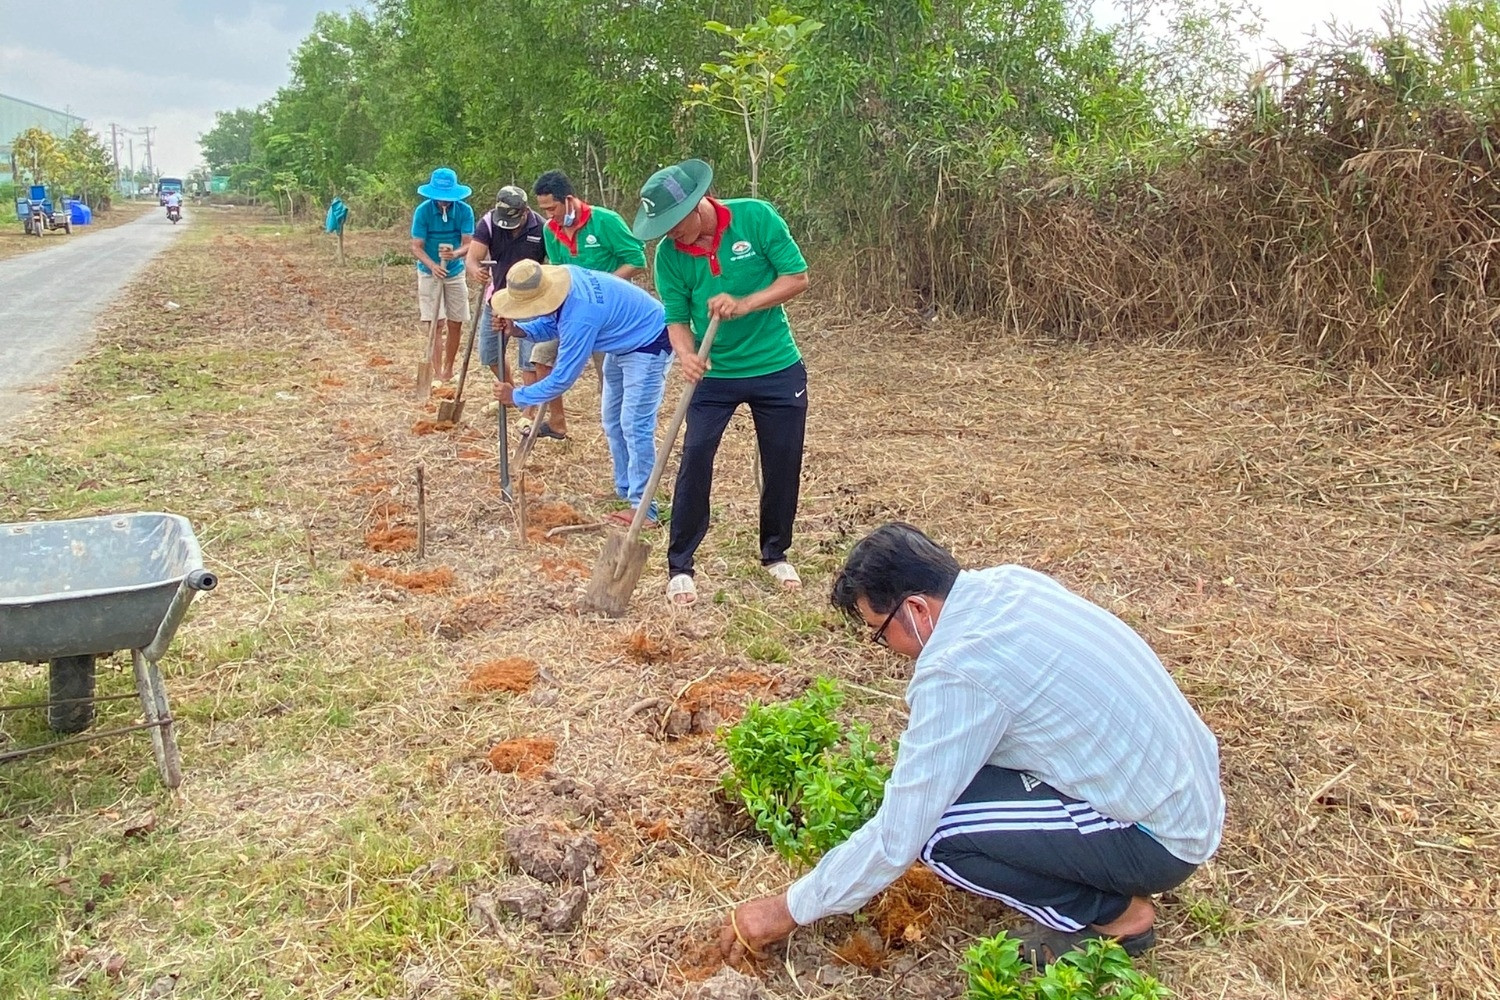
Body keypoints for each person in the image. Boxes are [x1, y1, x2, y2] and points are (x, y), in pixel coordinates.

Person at [719, 523, 1225, 968]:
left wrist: (787, 909)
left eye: (879, 632)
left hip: (1159, 838)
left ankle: (1118, 917)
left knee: (939, 834)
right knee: (951, 788)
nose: (888, 650)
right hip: (1189, 788)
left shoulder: (960, 669)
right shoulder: (1009, 585)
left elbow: (899, 838)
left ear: (916, 609)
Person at [631, 158, 810, 607]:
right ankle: (680, 566)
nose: (669, 234)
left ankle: (775, 554)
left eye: (674, 223)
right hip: (715, 375)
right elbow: (675, 318)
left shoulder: (756, 216)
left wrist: (747, 303)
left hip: (775, 365)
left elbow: (797, 277)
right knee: (695, 457)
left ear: (698, 205)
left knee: (782, 461)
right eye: (662, 228)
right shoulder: (670, 257)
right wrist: (687, 355)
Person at [489, 261, 671, 524]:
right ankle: (625, 489)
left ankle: (645, 509)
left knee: (634, 425)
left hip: (649, 341)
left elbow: (562, 378)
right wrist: (518, 329)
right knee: (612, 421)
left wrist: (517, 396)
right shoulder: (563, 285)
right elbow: (552, 323)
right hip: (621, 344)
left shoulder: (581, 314)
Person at [528, 170, 650, 441]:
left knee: (609, 376)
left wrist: (601, 289)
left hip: (610, 315)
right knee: (541, 356)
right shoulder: (551, 230)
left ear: (569, 199)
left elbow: (637, 261)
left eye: (553, 208)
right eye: (544, 209)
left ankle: (616, 432)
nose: (549, 215)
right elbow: (559, 272)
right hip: (573, 313)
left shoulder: (605, 221)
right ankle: (557, 423)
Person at [466, 185, 547, 421]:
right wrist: (475, 271)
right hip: (499, 299)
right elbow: (473, 257)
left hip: (531, 302)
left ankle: (529, 410)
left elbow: (553, 263)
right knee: (490, 354)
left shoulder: (541, 227)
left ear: (525, 211)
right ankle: (511, 393)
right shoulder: (489, 223)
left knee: (529, 359)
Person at [410, 167, 475, 383]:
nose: (444, 202)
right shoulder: (423, 211)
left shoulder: (465, 211)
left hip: (455, 271)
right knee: (435, 323)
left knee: (456, 321)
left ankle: (448, 370)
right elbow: (416, 246)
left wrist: (454, 254)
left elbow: (469, 244)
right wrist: (433, 265)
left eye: (448, 198)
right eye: (440, 198)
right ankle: (436, 373)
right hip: (429, 273)